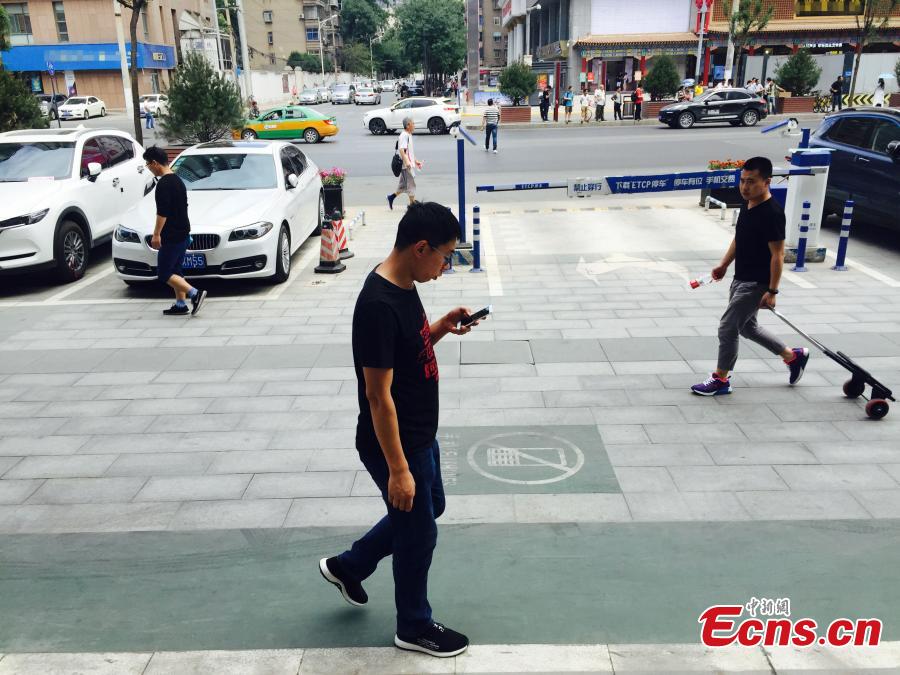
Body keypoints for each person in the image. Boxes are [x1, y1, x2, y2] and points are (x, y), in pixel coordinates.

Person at [319, 202, 480, 658]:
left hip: (418, 433)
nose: (446, 266)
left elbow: (407, 347)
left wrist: (442, 328)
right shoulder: (377, 305)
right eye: (445, 256)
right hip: (395, 442)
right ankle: (413, 625)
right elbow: (377, 396)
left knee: (433, 508)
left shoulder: (405, 283)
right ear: (420, 247)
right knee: (419, 532)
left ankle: (349, 566)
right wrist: (398, 470)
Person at [691, 156, 809, 397]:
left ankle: (721, 379)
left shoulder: (772, 213)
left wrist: (772, 291)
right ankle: (792, 356)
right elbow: (740, 238)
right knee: (748, 328)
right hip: (740, 277)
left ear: (766, 182)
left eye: (751, 182)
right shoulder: (748, 204)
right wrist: (724, 265)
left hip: (757, 282)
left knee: (728, 327)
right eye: (742, 181)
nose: (744, 187)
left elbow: (778, 255)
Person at [142, 146, 207, 317]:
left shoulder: (163, 184)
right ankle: (180, 304)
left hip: (172, 235)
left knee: (164, 273)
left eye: (148, 164)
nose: (148, 168)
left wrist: (156, 234)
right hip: (183, 232)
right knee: (176, 271)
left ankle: (195, 293)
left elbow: (163, 212)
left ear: (155, 163)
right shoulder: (178, 180)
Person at [388, 117, 422, 210]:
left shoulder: (408, 135)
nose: (414, 125)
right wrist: (407, 162)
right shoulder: (404, 135)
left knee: (403, 186)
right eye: (413, 123)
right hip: (406, 166)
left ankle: (391, 197)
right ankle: (412, 208)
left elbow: (409, 152)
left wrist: (415, 161)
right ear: (408, 125)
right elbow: (402, 150)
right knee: (411, 185)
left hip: (408, 164)